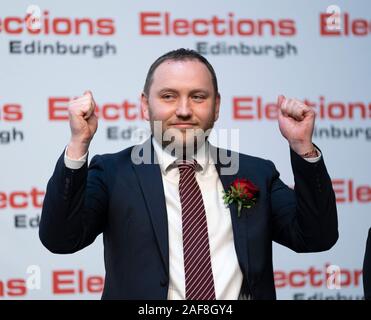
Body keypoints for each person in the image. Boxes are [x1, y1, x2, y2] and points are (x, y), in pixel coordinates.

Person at [39, 48, 338, 300]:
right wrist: (79, 143)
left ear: (217, 106)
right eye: (168, 96)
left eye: (198, 97)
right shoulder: (112, 172)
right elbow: (61, 239)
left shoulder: (255, 173)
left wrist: (303, 148)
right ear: (145, 105)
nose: (183, 110)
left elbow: (316, 237)